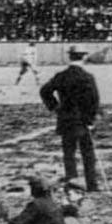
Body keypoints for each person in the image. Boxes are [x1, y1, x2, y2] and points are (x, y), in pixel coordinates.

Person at [40, 45, 102, 192]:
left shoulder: (61, 76)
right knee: (88, 154)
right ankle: (92, 184)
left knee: (69, 153)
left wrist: (55, 107)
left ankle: (72, 182)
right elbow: (94, 100)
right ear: (84, 57)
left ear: (70, 57)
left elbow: (45, 90)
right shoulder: (86, 77)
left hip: (66, 119)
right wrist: (90, 120)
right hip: (82, 121)